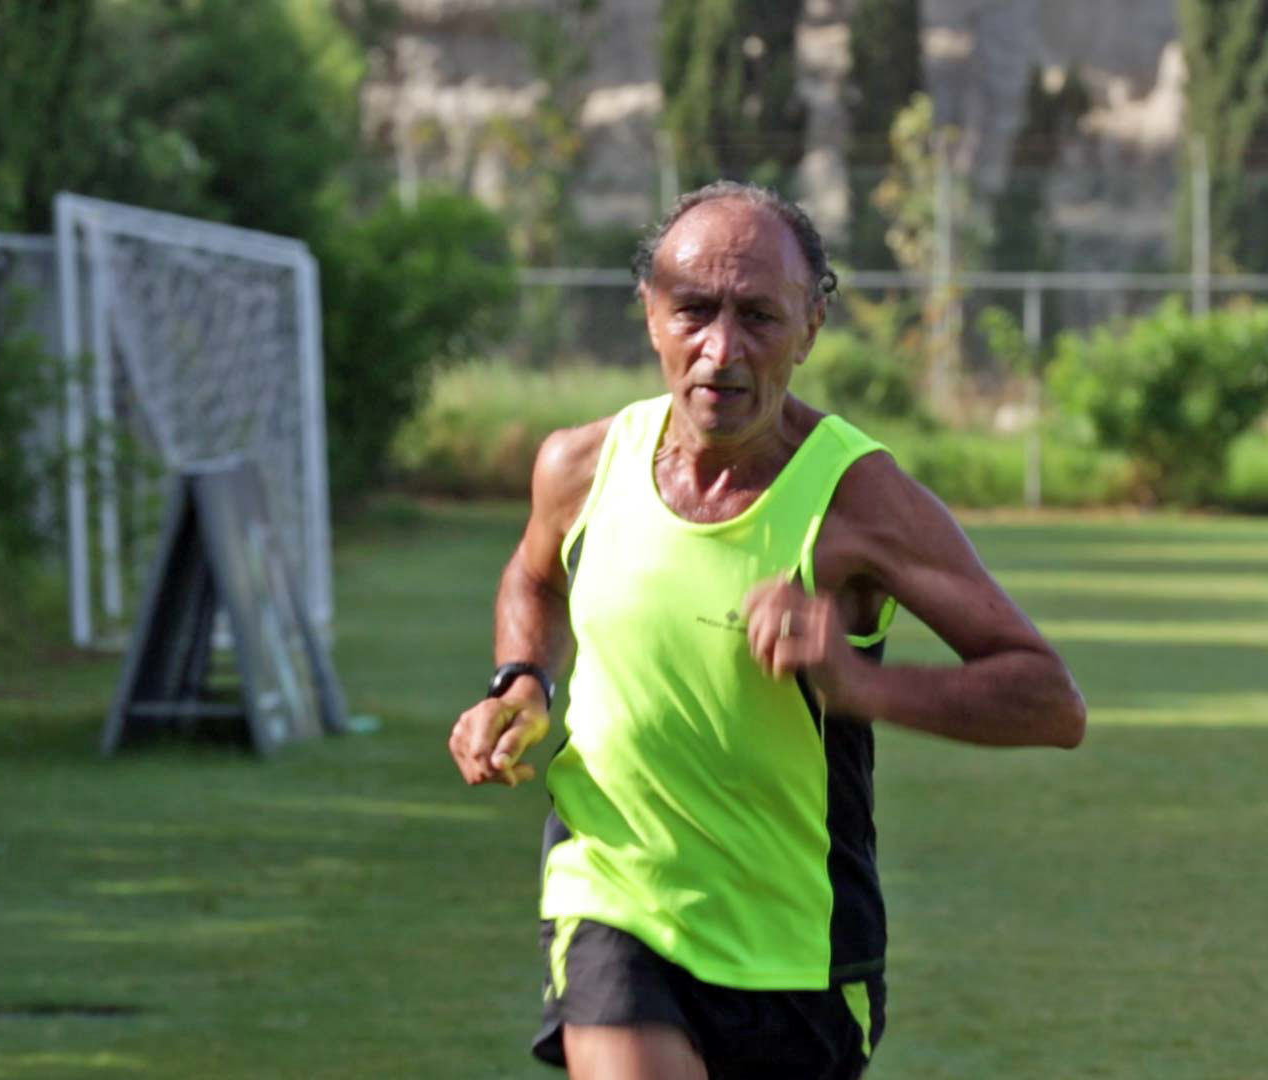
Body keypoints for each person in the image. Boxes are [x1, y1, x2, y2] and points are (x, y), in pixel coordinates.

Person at [449, 181, 1085, 1079]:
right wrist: (520, 679)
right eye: (694, 311)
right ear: (650, 312)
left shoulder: (861, 502)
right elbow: (534, 573)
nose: (721, 350)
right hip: (613, 893)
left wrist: (863, 687)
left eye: (759, 317)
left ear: (813, 325)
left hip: (800, 948)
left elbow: (1052, 701)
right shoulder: (580, 466)